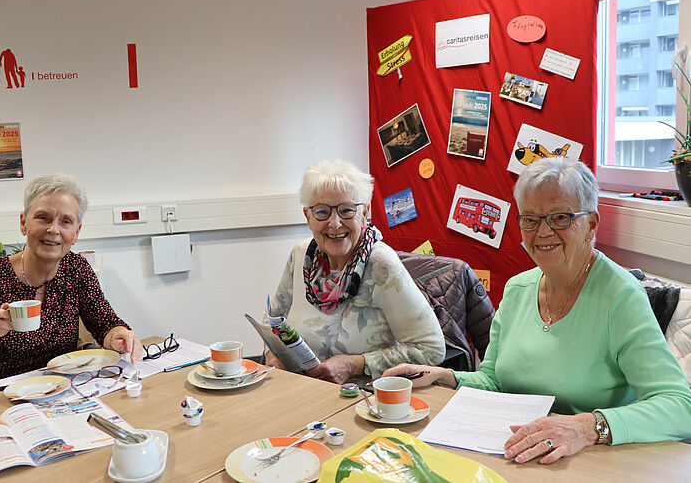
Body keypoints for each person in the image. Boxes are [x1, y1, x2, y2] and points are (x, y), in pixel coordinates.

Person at [384, 157, 691, 464]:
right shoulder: (517, 289)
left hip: (589, 463)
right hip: (517, 456)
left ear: (592, 224)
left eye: (560, 217)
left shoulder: (621, 297)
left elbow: (680, 407)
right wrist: (446, 376)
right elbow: (494, 380)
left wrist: (586, 428)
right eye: (530, 219)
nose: (542, 232)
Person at [0, 174, 143, 393]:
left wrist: (118, 335)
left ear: (76, 232)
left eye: (66, 221)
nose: (54, 230)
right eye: (43, 217)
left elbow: (105, 324)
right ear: (23, 223)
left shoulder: (76, 269)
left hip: (56, 392)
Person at [266, 159, 445, 384]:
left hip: (363, 398)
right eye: (322, 211)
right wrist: (272, 355)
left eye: (346, 210)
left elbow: (432, 349)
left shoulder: (381, 263)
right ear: (308, 216)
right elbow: (272, 320)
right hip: (302, 389)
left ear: (364, 212)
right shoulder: (301, 255)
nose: (335, 223)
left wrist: (356, 364)